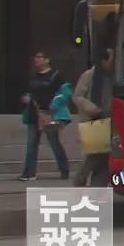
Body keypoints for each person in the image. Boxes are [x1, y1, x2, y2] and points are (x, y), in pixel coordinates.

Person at [19, 51, 71, 181]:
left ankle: (64, 169)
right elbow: (30, 92)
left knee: (54, 142)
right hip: (33, 114)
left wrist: (53, 105)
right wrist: (27, 98)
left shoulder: (56, 76)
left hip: (49, 114)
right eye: (35, 57)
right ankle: (29, 173)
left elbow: (66, 93)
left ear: (47, 60)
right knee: (31, 144)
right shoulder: (33, 77)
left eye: (39, 57)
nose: (36, 59)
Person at [71, 48, 114, 187]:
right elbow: (77, 96)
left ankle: (97, 189)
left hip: (110, 121)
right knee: (94, 155)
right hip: (93, 122)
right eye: (111, 59)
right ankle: (80, 180)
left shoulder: (114, 76)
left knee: (104, 159)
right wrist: (92, 108)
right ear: (103, 61)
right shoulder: (90, 75)